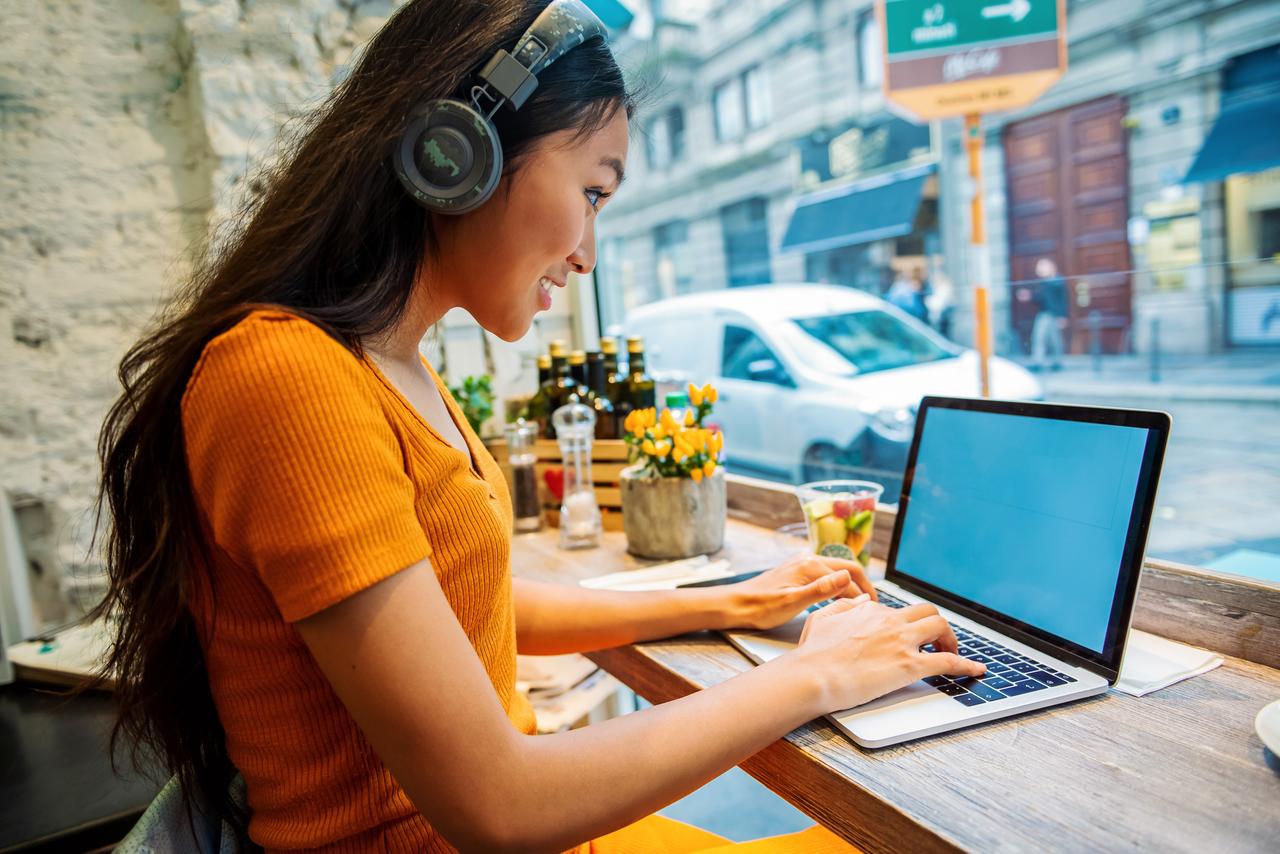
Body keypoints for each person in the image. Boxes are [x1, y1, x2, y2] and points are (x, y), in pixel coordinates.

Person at [91, 2, 983, 851]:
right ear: (456, 152)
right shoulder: (285, 377)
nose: (590, 251)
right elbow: (499, 806)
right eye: (594, 191)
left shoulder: (387, 364)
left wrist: (727, 600)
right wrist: (819, 673)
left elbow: (467, 608)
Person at [1029, 257, 1069, 371]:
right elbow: (1041, 298)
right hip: (1044, 314)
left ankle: (1057, 362)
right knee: (1039, 338)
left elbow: (1063, 300)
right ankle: (1038, 362)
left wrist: (1063, 316)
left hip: (1054, 315)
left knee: (1055, 340)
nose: (1039, 270)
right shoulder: (1044, 283)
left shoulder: (1057, 281)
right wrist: (1031, 296)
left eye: (1042, 267)